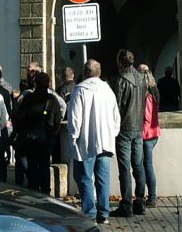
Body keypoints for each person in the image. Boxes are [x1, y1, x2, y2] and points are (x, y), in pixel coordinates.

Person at [67, 59, 120, 226]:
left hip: (86, 142)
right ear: (99, 72)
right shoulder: (108, 91)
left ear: (84, 72)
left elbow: (75, 118)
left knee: (84, 177)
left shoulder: (80, 90)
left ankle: (90, 213)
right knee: (103, 178)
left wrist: (73, 137)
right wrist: (112, 133)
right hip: (106, 141)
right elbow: (116, 117)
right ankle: (103, 213)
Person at [111, 48, 151, 217]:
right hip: (138, 127)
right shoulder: (141, 79)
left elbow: (117, 106)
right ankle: (140, 201)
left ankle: (126, 204)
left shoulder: (121, 80)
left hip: (125, 127)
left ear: (121, 62)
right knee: (138, 165)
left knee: (125, 168)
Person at [12, 71, 63, 194]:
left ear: (35, 83)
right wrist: (52, 134)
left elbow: (19, 118)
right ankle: (45, 192)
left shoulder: (28, 98)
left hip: (30, 139)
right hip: (45, 139)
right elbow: (58, 119)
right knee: (45, 167)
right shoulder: (52, 99)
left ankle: (33, 191)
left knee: (32, 166)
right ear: (48, 83)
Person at [138, 64, 160, 206]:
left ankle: (152, 197)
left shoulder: (147, 97)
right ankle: (151, 196)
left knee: (146, 166)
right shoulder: (155, 92)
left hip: (146, 134)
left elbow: (146, 117)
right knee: (148, 165)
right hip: (154, 133)